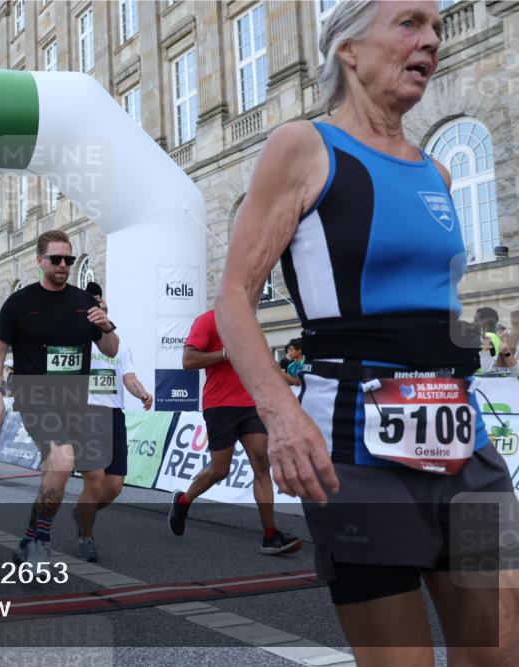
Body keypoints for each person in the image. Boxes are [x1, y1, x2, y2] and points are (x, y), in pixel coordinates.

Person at [214, 2, 519, 662]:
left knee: (500, 646)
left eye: (436, 27)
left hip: (463, 441)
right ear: (348, 49)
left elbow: (424, 310)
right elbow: (235, 295)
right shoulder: (303, 147)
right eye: (410, 23)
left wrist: (483, 341)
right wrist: (283, 414)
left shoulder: (436, 170)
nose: (431, 39)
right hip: (355, 449)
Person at [0, 230, 119, 567]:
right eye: (56, 259)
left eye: (69, 260)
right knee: (61, 462)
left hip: (76, 400)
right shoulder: (20, 302)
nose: (63, 265)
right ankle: (41, 542)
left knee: (58, 473)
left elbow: (111, 349)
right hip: (35, 395)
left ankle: (30, 537)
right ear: (40, 261)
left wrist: (106, 326)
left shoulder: (84, 302)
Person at [168, 309, 302, 555]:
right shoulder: (207, 320)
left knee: (261, 464)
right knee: (220, 469)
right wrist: (226, 353)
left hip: (251, 404)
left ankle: (270, 536)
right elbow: (188, 361)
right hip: (220, 406)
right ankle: (184, 501)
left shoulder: (250, 324)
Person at [75, 283, 153, 562]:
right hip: (87, 414)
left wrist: (142, 392)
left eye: (103, 306)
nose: (100, 309)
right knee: (94, 480)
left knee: (114, 487)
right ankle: (86, 536)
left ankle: (83, 514)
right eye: (95, 307)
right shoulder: (79, 339)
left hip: (114, 416)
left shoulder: (119, 345)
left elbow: (129, 378)